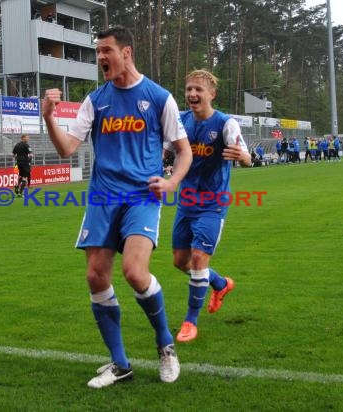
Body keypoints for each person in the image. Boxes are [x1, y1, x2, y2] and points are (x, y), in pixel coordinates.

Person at [41, 26, 192, 389]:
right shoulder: (96, 100)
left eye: (106, 50)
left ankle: (165, 345)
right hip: (102, 196)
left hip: (142, 196)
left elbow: (183, 150)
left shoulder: (158, 98)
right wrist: (48, 116)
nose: (101, 58)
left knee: (135, 273)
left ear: (127, 52)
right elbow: (67, 149)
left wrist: (171, 182)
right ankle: (120, 363)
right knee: (95, 276)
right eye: (98, 53)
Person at [169, 69, 251, 343]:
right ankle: (220, 283)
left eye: (198, 90)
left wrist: (241, 156)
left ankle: (190, 321)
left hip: (213, 203)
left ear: (211, 94)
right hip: (186, 201)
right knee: (180, 262)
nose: (192, 94)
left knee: (198, 258)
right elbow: (168, 149)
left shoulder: (226, 124)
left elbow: (247, 158)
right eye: (189, 89)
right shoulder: (180, 121)